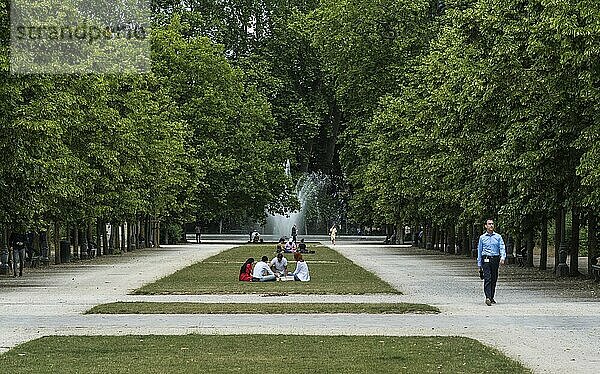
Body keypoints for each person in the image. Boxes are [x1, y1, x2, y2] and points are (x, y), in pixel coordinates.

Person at [477, 218, 506, 306]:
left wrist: (503, 257)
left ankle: (492, 296)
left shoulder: (498, 237)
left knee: (494, 278)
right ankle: (488, 297)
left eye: (492, 224)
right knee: (487, 278)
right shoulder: (482, 238)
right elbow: (479, 250)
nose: (491, 225)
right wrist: (479, 264)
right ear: (486, 226)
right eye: (489, 224)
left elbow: (502, 247)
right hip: (485, 259)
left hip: (495, 259)